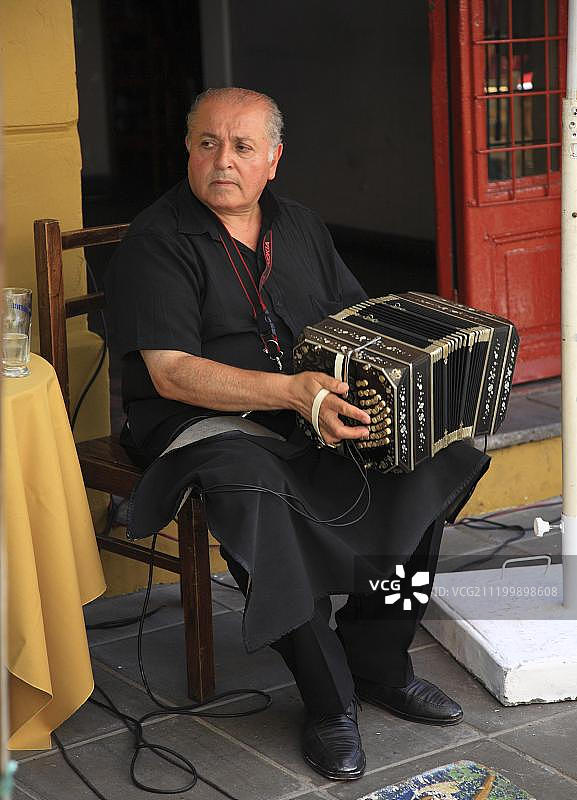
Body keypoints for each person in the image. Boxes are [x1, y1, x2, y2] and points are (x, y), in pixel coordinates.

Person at [105, 87, 490, 781]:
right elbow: (170, 374)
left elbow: (357, 321)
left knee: (436, 454)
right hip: (205, 420)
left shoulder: (301, 226)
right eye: (207, 143)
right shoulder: (156, 241)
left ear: (273, 160)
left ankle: (377, 661)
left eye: (243, 146)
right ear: (187, 151)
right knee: (256, 496)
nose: (224, 159)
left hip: (307, 406)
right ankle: (328, 700)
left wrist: (400, 387)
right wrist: (288, 392)